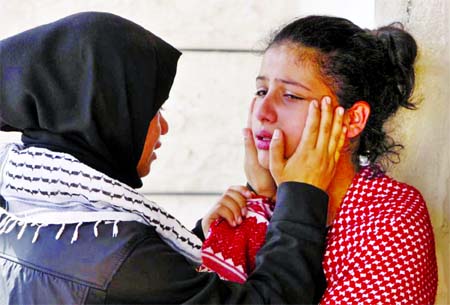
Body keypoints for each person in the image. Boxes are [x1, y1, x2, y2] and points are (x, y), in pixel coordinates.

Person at [0, 12, 346, 304]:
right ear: (109, 114)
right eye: (153, 110)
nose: (162, 127)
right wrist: (301, 194)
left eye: (289, 95)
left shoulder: (25, 213)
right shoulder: (119, 260)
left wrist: (199, 237)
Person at [199, 15, 438, 304]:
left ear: (352, 119)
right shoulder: (261, 208)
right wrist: (215, 230)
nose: (263, 111)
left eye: (290, 96)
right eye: (262, 91)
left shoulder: (391, 218)